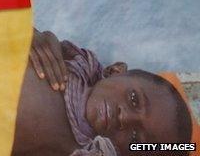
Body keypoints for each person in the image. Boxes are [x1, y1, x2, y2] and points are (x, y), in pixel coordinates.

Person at [13, 29, 193, 156]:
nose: (125, 118)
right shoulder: (71, 63)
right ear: (115, 70)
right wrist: (26, 33)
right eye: (133, 99)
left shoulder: (78, 150)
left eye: (135, 138)